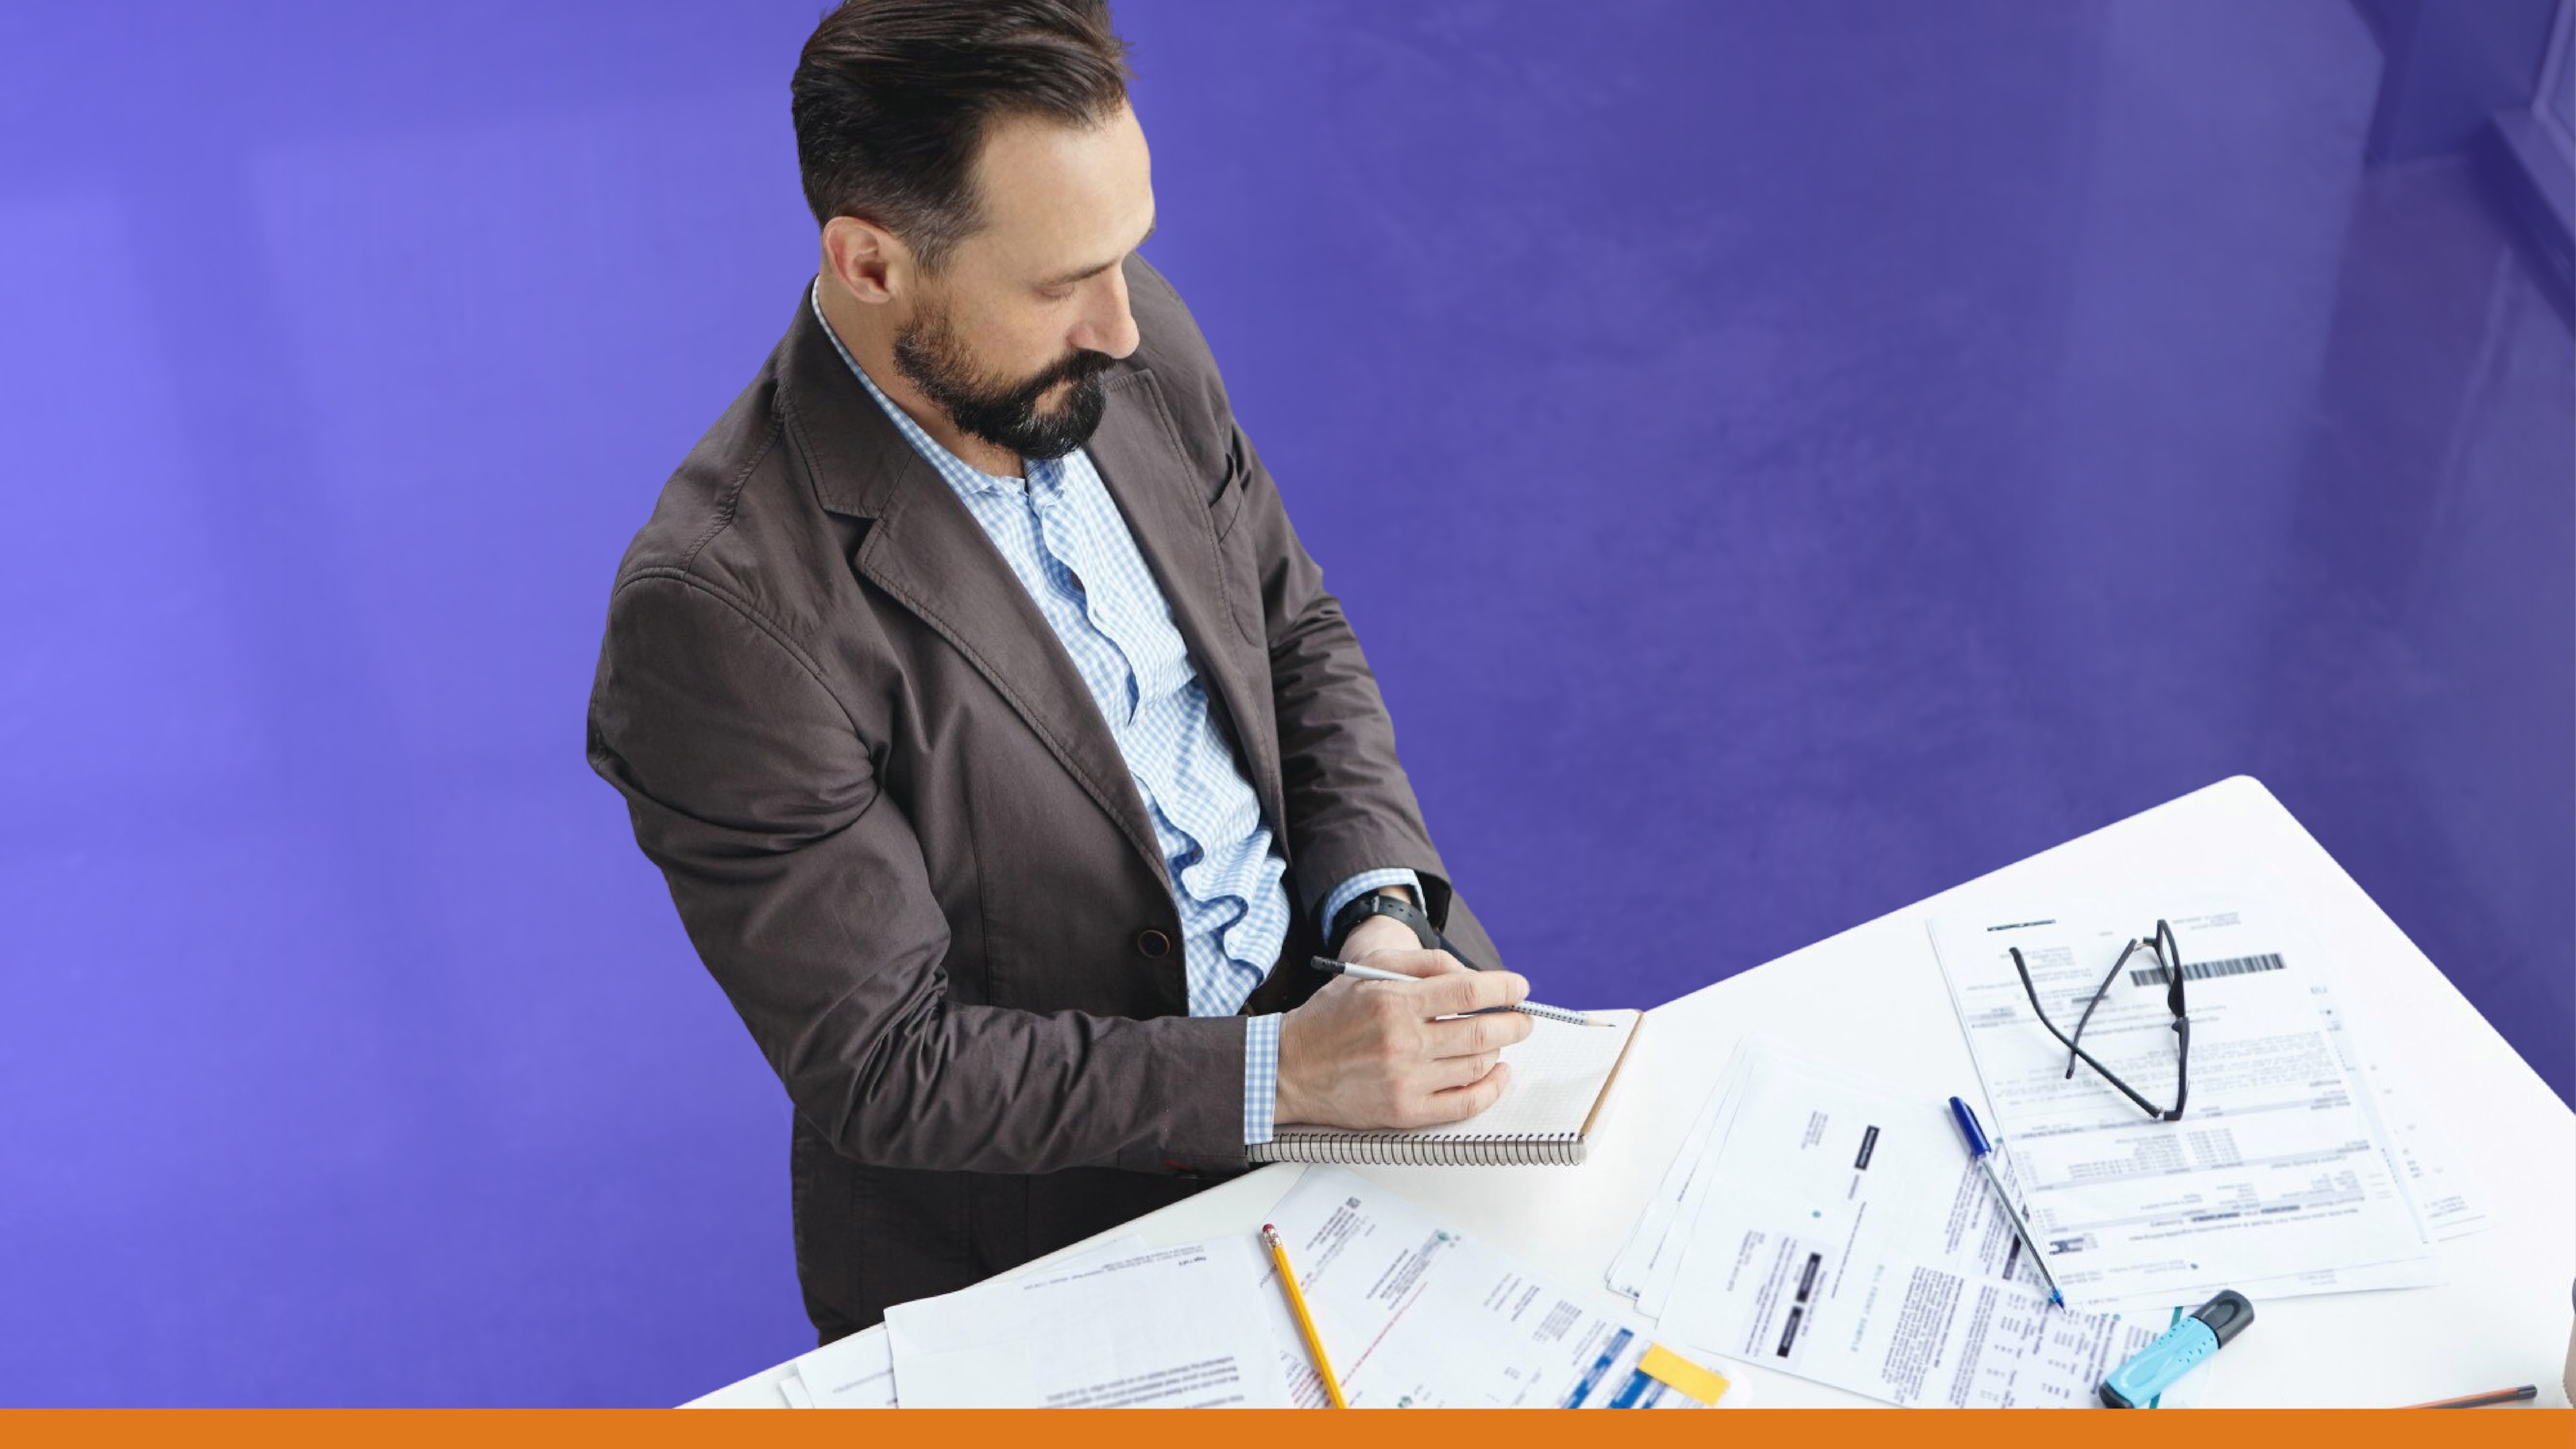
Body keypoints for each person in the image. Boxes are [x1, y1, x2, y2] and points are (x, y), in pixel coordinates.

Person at [585, 0, 1527, 1341]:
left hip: (1369, 1052)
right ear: (870, 263)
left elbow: (1291, 634)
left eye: (1126, 255)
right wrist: (1281, 1076)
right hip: (1063, 1231)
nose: (1124, 328)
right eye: (1058, 284)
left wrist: (1374, 917)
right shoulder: (717, 614)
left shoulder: (1128, 337)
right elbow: (890, 1065)